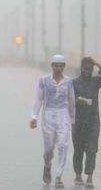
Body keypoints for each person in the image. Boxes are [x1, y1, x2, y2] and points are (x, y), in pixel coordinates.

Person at [29, 54, 76, 188]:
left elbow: (71, 100)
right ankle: (47, 165)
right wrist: (33, 116)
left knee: (63, 145)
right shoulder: (43, 80)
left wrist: (72, 118)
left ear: (64, 67)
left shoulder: (68, 81)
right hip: (48, 114)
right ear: (52, 66)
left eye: (61, 66)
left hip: (63, 114)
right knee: (49, 148)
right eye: (56, 65)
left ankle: (58, 176)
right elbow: (38, 99)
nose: (58, 68)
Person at [72, 57, 101, 188]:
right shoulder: (73, 83)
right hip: (77, 121)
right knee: (78, 150)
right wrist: (76, 102)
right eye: (85, 68)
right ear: (81, 68)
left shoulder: (96, 81)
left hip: (93, 122)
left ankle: (89, 177)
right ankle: (78, 175)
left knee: (92, 150)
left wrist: (97, 63)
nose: (87, 71)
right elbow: (67, 101)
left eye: (89, 68)